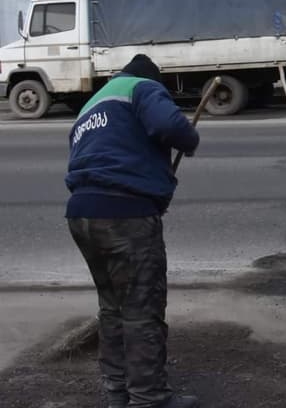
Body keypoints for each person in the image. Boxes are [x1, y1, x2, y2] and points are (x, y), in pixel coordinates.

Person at [65, 54, 201, 408]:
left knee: (112, 309)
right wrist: (190, 139)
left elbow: (99, 153)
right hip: (124, 214)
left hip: (82, 213)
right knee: (142, 310)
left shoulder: (92, 105)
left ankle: (118, 393)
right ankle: (148, 398)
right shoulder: (143, 88)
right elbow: (172, 127)